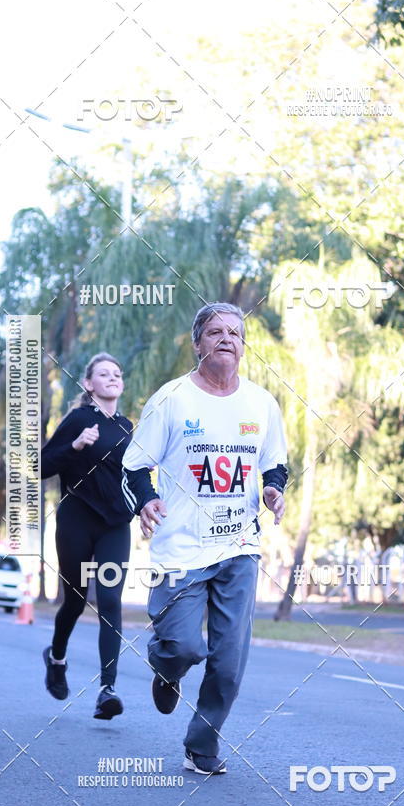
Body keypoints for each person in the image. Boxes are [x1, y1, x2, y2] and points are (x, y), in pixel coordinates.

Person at [122, 303, 288, 774]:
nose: (225, 338)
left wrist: (274, 488)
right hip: (181, 548)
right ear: (197, 343)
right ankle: (164, 665)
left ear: (243, 344)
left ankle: (202, 744)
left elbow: (275, 462)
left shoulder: (261, 403)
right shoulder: (172, 399)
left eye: (234, 332)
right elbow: (134, 464)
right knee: (184, 648)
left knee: (229, 661)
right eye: (214, 331)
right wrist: (146, 501)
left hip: (240, 545)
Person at [41, 352, 135, 720]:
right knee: (76, 601)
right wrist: (75, 446)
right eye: (103, 374)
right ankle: (56, 657)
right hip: (77, 519)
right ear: (89, 384)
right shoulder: (79, 419)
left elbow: (133, 477)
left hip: (114, 525)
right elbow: (41, 466)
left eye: (117, 373)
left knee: (110, 601)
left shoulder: (127, 427)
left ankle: (107, 690)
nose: (112, 378)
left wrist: (146, 503)